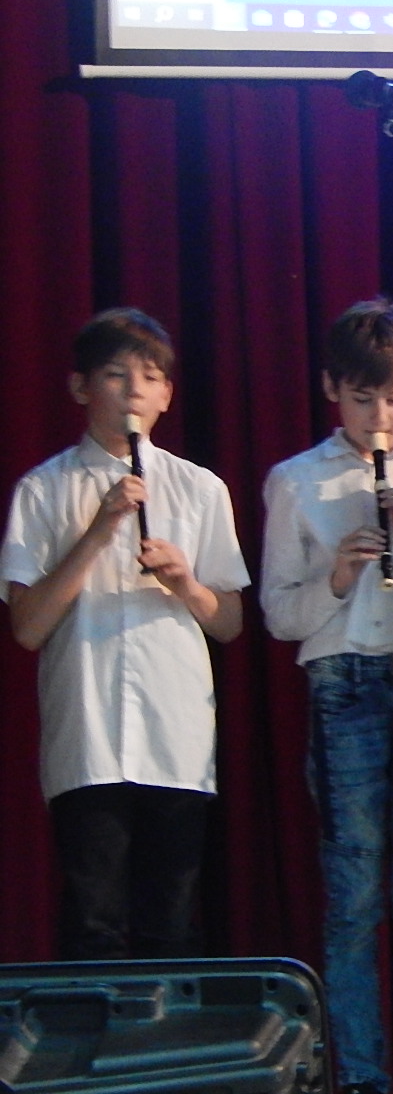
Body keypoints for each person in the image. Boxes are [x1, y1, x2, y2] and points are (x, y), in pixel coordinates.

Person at [261, 298, 393, 1094]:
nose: (379, 417)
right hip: (344, 682)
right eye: (362, 398)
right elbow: (280, 616)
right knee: (354, 892)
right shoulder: (296, 480)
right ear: (331, 389)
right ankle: (358, 1074)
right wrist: (340, 575)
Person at [1, 307, 249, 960]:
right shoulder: (43, 490)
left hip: (175, 736)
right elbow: (27, 627)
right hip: (87, 733)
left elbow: (228, 622)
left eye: (150, 377)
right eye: (116, 374)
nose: (135, 390)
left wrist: (185, 582)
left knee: (172, 925)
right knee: (94, 927)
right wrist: (99, 530)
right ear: (81, 387)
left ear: (167, 394)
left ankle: (171, 1031)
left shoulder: (200, 489)